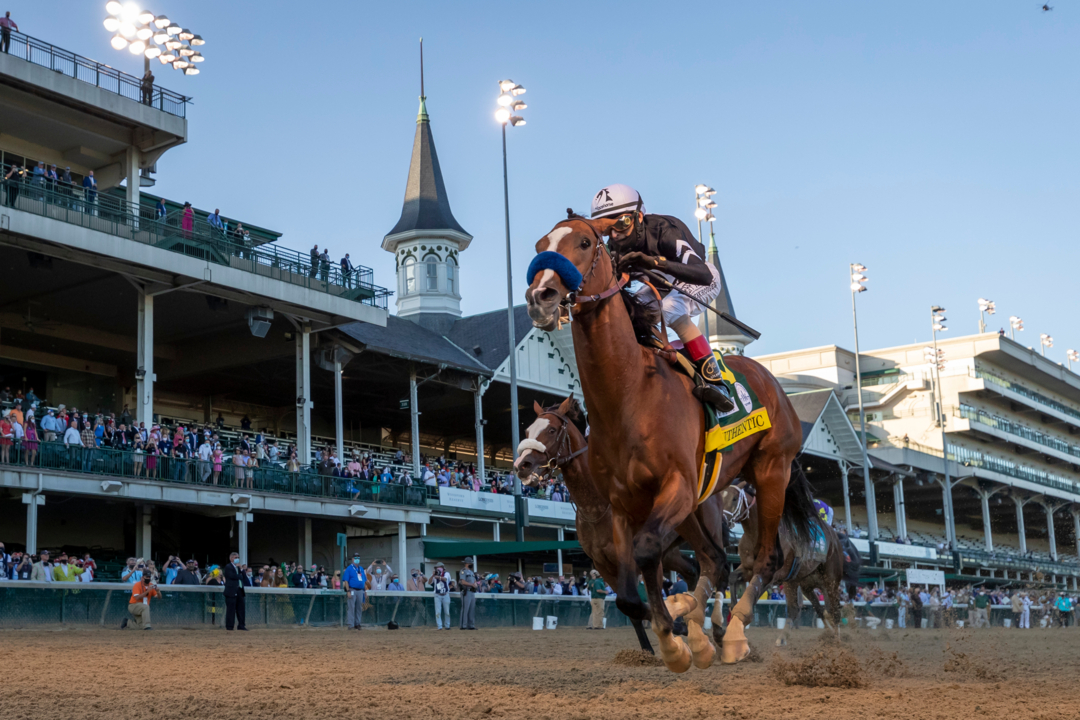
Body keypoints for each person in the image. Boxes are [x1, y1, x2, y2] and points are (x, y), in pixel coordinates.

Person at [588, 184, 733, 411]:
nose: (614, 234)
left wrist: (654, 262)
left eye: (622, 223)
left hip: (698, 278)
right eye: (606, 228)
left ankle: (717, 383)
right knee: (628, 318)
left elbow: (703, 274)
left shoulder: (664, 229)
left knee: (670, 308)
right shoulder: (613, 246)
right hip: (660, 286)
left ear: (639, 216)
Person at [342, 552, 370, 630]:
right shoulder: (349, 568)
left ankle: (357, 623)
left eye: (358, 558)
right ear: (352, 559)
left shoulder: (361, 569)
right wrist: (348, 591)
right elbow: (346, 581)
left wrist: (365, 591)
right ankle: (351, 624)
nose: (357, 560)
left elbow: (364, 580)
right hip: (352, 589)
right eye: (355, 558)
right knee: (351, 607)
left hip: (360, 590)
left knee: (359, 608)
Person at [222, 552, 248, 631]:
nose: (237, 559)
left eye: (238, 557)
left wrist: (241, 569)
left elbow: (244, 577)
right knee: (231, 609)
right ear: (231, 558)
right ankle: (230, 626)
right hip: (231, 591)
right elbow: (232, 576)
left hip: (240, 590)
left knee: (241, 609)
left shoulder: (238, 568)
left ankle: (241, 625)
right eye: (235, 557)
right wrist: (239, 576)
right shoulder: (228, 566)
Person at [430, 562, 452, 630]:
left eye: (440, 567)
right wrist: (433, 575)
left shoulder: (447, 574)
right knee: (438, 612)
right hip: (437, 595)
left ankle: (447, 625)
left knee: (447, 611)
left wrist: (438, 577)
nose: (438, 568)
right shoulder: (434, 575)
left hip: (445, 594)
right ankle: (439, 626)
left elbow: (445, 579)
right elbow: (429, 582)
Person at [458, 556, 478, 630]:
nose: (471, 564)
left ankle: (471, 625)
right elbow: (462, 581)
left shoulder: (471, 572)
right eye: (470, 563)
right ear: (467, 563)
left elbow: (474, 580)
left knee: (471, 609)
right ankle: (463, 625)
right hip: (466, 591)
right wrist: (471, 584)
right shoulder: (463, 571)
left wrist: (475, 583)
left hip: (472, 591)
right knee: (465, 609)